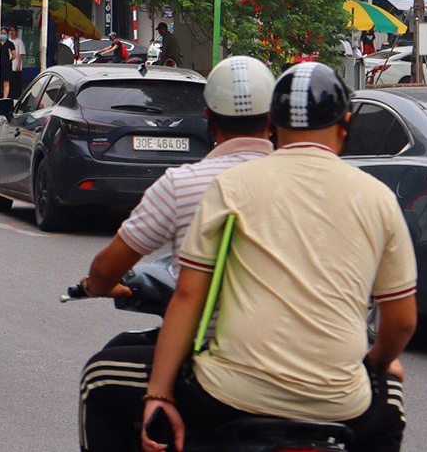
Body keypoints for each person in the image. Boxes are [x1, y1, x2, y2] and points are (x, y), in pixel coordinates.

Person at [128, 61, 414, 452]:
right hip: (340, 402)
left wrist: (158, 396)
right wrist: (374, 363)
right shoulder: (378, 198)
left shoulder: (232, 186)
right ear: (345, 123)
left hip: (230, 394)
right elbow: (400, 322)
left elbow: (189, 297)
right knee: (388, 413)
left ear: (274, 124)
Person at [76, 57, 277, 451]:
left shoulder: (189, 185)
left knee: (100, 375)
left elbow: (121, 270)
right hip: (323, 374)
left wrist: (99, 284)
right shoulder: (314, 184)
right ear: (272, 118)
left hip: (229, 369)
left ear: (208, 119)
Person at [0, 27, 23, 100]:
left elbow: (14, 55)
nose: (3, 35)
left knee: (6, 82)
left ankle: (4, 98)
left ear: (7, 34)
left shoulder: (10, 44)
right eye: (1, 33)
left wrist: (9, 60)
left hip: (7, 66)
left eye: (4, 33)